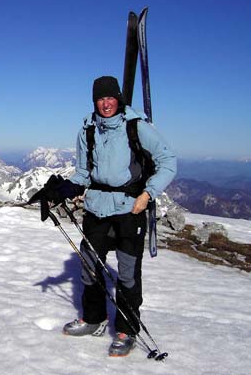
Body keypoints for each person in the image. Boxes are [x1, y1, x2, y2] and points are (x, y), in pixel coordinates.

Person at [42, 75, 177, 357]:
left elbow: (168, 161)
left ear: (119, 99)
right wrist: (62, 190)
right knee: (90, 265)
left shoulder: (136, 128)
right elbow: (83, 172)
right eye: (100, 99)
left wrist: (147, 194)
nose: (105, 103)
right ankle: (94, 319)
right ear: (95, 101)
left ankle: (126, 330)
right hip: (96, 207)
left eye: (110, 98)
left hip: (130, 208)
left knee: (127, 272)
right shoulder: (88, 131)